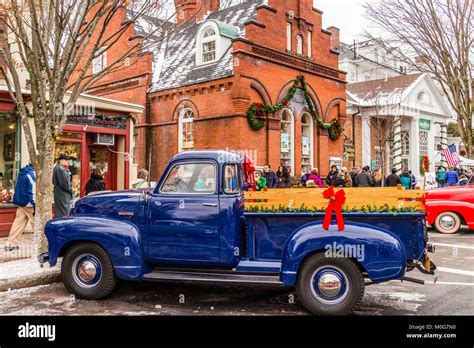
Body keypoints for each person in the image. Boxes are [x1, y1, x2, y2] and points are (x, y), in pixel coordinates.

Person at [4, 163, 35, 251]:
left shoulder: (23, 172)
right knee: (37, 224)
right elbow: (32, 190)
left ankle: (10, 244)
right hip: (29, 204)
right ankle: (42, 246)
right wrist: (34, 204)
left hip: (21, 202)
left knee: (18, 224)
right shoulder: (32, 173)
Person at [53, 154, 73, 218]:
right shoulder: (60, 169)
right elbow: (64, 184)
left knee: (61, 213)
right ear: (61, 160)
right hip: (62, 195)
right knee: (63, 214)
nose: (68, 162)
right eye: (67, 160)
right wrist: (70, 190)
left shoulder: (58, 167)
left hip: (60, 193)